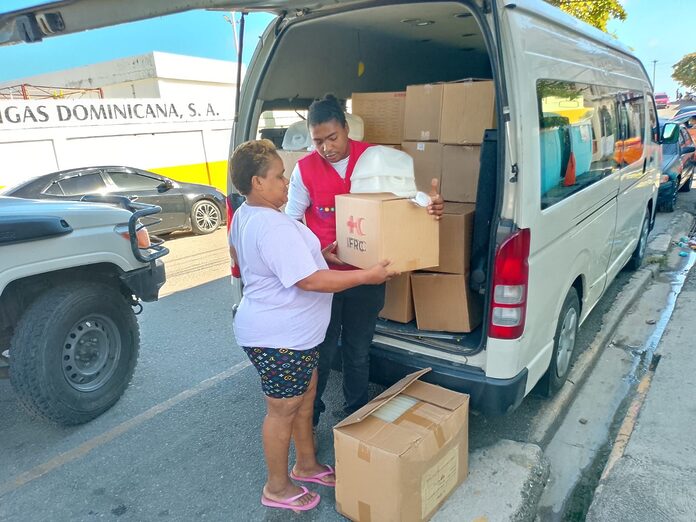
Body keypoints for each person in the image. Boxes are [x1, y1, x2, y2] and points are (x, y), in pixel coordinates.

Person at [228, 139, 396, 513]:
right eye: (278, 176)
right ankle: (276, 486)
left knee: (305, 400)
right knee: (282, 411)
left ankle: (306, 464)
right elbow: (310, 281)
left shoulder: (247, 214)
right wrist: (367, 276)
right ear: (257, 182)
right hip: (278, 339)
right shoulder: (272, 225)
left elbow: (252, 258)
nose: (286, 181)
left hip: (296, 337)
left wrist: (318, 253)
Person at [285, 94, 444, 428]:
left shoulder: (375, 159)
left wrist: (428, 206)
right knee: (322, 352)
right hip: (325, 278)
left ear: (346, 129)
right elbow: (291, 221)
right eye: (318, 141)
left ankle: (356, 415)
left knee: (358, 350)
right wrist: (315, 253)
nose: (326, 148)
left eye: (332, 137)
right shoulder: (305, 169)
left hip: (368, 276)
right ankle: (310, 419)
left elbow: (404, 203)